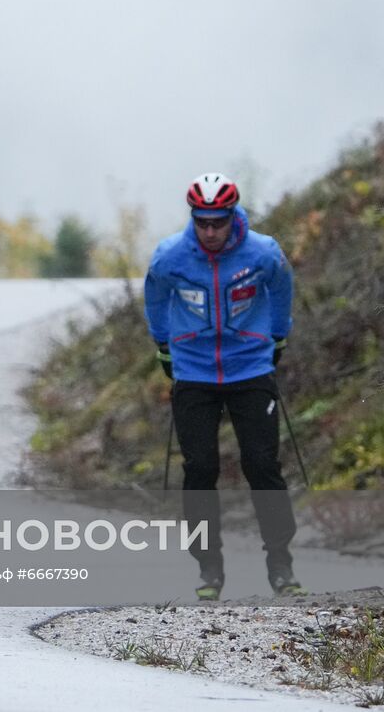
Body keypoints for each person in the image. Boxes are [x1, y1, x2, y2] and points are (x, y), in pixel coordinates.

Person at [144, 172, 303, 600]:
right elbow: (156, 296)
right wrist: (162, 343)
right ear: (193, 218)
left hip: (250, 368)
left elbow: (282, 288)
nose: (211, 231)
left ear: (233, 216)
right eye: (203, 222)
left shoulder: (264, 252)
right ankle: (209, 568)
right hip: (194, 372)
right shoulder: (170, 256)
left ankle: (281, 565)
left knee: (262, 465)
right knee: (199, 469)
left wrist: (278, 335)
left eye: (220, 221)